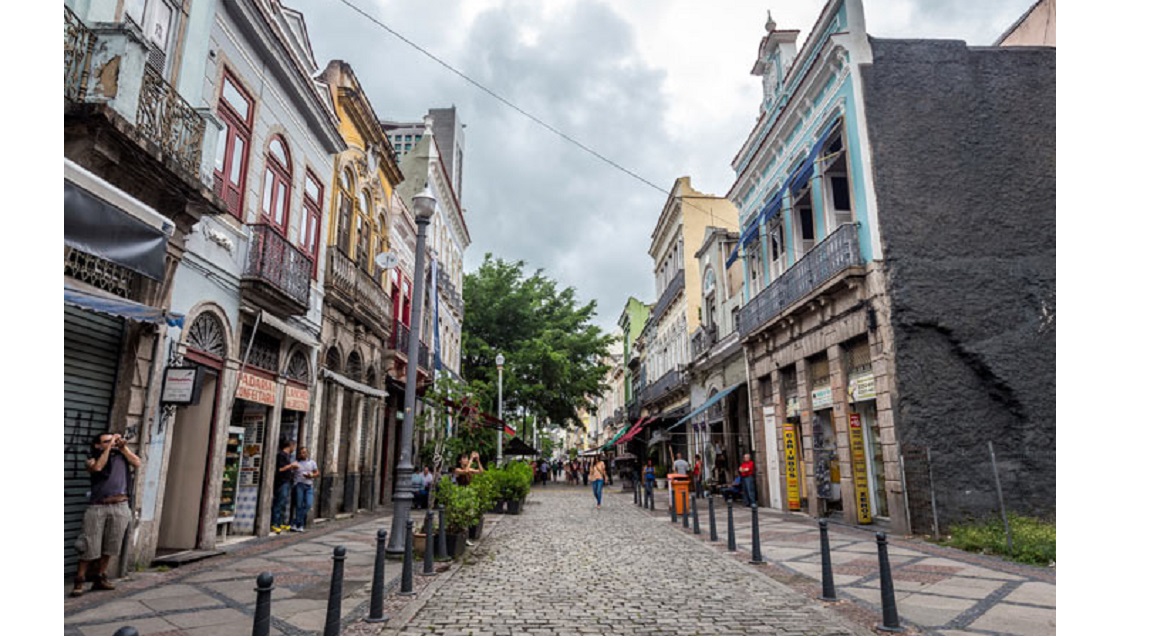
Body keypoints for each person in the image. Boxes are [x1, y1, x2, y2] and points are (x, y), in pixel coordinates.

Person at [72, 432, 141, 597]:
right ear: (98, 445)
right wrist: (109, 448)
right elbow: (97, 467)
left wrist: (123, 447)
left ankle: (100, 577)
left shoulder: (122, 456)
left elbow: (137, 462)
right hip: (98, 507)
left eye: (113, 440)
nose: (112, 443)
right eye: (107, 441)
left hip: (120, 506)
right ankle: (79, 579)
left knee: (111, 544)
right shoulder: (91, 458)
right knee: (89, 545)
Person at [272, 439, 299, 533]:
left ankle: (280, 522)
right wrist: (291, 466)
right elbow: (279, 469)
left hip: (287, 481)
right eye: (294, 446)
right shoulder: (281, 455)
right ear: (290, 445)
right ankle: (275, 523)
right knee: (279, 502)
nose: (294, 448)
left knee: (283, 503)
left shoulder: (287, 456)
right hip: (281, 482)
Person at [291, 446, 319, 532]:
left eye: (304, 452)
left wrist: (311, 475)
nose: (302, 454)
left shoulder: (312, 463)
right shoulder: (296, 463)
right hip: (299, 485)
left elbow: (317, 473)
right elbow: (291, 473)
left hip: (309, 485)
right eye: (301, 453)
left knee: (308, 505)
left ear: (307, 453)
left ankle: (295, 522)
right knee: (299, 506)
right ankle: (300, 525)